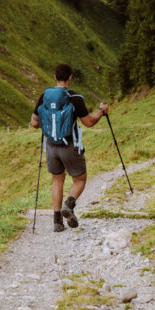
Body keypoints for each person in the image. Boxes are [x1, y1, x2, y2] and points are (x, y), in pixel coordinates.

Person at [30, 63, 110, 232]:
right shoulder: (75, 97)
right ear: (70, 77)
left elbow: (34, 123)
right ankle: (69, 204)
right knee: (80, 179)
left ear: (55, 77)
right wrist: (101, 111)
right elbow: (88, 122)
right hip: (70, 145)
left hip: (51, 146)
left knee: (57, 180)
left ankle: (57, 222)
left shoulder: (44, 96)